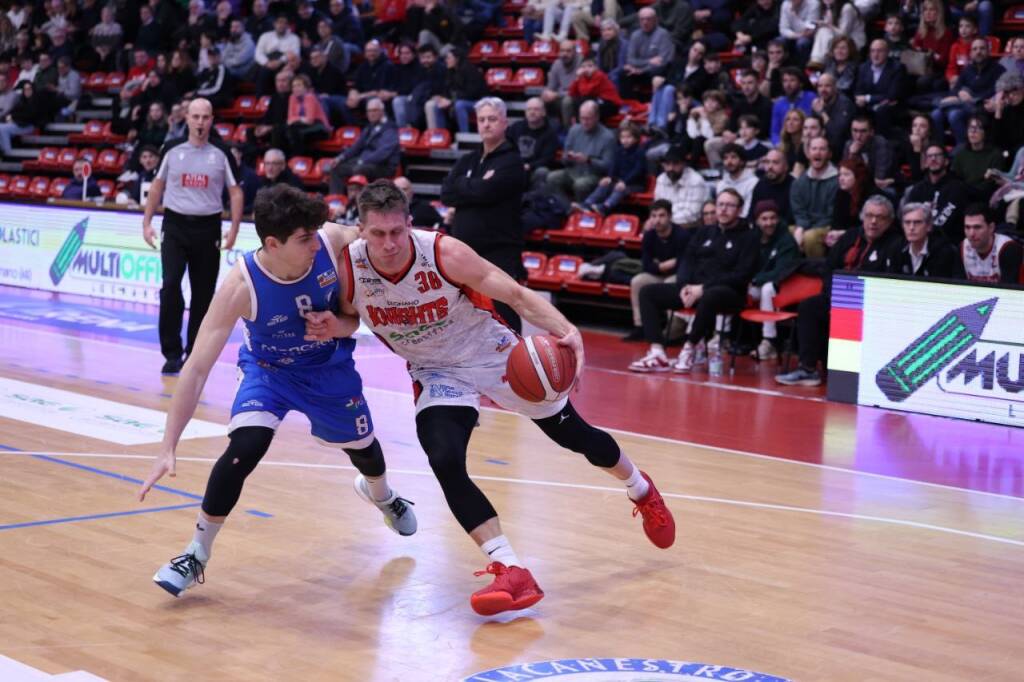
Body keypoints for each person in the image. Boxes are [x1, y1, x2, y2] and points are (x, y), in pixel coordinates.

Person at [303, 180, 675, 616]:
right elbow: (352, 319)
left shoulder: (444, 253)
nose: (388, 244)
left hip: (491, 352)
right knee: (443, 459)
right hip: (435, 370)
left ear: (409, 224)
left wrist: (566, 331)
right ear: (361, 230)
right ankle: (510, 568)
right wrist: (334, 326)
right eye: (377, 234)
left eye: (396, 232)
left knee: (574, 436)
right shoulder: (348, 268)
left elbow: (514, 294)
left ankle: (641, 489)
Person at [138, 185, 417, 597]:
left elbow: (354, 317)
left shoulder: (332, 240)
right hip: (268, 372)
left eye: (314, 234)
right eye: (304, 239)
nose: (314, 243)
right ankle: (196, 552)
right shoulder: (240, 285)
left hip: (327, 367)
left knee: (365, 450)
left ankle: (383, 496)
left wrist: (338, 325)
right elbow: (196, 368)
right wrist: (168, 446)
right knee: (244, 448)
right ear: (272, 243)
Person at [142, 98, 243, 375]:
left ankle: (193, 354)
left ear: (212, 120)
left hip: (208, 227)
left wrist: (233, 228)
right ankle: (171, 352)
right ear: (186, 118)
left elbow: (235, 192)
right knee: (171, 285)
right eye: (196, 116)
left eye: (205, 117)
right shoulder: (172, 150)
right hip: (175, 225)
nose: (200, 122)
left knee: (203, 294)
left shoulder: (222, 153)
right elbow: (157, 186)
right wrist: (147, 222)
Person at [775, 195, 901, 386]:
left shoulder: (895, 244)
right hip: (839, 299)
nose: (873, 221)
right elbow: (829, 269)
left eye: (880, 217)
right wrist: (836, 298)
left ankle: (853, 374)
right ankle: (807, 369)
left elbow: (889, 283)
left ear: (890, 221)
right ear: (862, 217)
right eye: (869, 215)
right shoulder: (851, 237)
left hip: (871, 305)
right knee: (810, 306)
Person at [629, 189, 759, 374]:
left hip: (730, 293)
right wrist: (684, 286)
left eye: (730, 205)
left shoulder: (749, 236)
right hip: (694, 289)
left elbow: (742, 275)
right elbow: (687, 261)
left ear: (739, 210)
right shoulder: (704, 232)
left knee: (711, 295)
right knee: (648, 292)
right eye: (720, 204)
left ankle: (688, 349)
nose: (723, 210)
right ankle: (657, 352)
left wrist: (703, 288)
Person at [440, 97, 528, 333]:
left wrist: (464, 186)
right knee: (465, 312)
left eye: (492, 119)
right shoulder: (468, 159)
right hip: (466, 251)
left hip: (499, 251)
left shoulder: (512, 161)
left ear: (504, 123)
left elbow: (487, 192)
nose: (486, 124)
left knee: (503, 311)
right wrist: (474, 186)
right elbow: (446, 192)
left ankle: (515, 361)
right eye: (481, 120)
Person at [622, 199, 690, 341]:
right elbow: (646, 264)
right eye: (653, 216)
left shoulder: (682, 235)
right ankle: (640, 327)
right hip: (658, 274)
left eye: (661, 215)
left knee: (669, 285)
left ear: (670, 216)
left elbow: (684, 263)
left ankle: (671, 331)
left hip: (677, 276)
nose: (657, 220)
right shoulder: (649, 235)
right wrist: (662, 266)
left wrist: (663, 265)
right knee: (638, 281)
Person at [748, 200, 800, 360]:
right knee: (730, 286)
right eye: (764, 219)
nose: (769, 223)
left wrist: (756, 279)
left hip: (785, 285)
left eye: (772, 218)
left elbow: (782, 271)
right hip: (756, 282)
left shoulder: (786, 240)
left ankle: (769, 341)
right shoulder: (752, 238)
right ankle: (722, 335)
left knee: (767, 288)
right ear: (757, 221)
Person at [327, 97, 400, 194]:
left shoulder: (390, 128)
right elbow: (356, 147)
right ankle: (336, 200)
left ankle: (360, 201)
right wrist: (340, 158)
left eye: (374, 110)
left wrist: (363, 161)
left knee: (360, 169)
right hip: (365, 163)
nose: (371, 114)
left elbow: (383, 153)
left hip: (384, 166)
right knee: (337, 168)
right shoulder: (369, 127)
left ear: (382, 111)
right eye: (369, 111)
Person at [954, 204, 1024, 283]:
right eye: (967, 227)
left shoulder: (1008, 249)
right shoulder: (962, 247)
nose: (971, 234)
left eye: (977, 227)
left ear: (991, 227)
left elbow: (1011, 290)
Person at [886, 202, 957, 277]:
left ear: (929, 226)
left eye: (917, 222)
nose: (911, 227)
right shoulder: (896, 248)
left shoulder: (944, 252)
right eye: (907, 222)